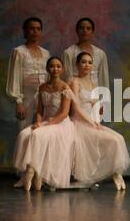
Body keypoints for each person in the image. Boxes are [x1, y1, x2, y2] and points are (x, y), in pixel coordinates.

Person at [13, 57, 98, 191]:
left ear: (62, 69)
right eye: (52, 66)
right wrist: (39, 122)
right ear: (47, 69)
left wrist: (45, 126)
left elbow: (64, 113)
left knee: (36, 135)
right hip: (47, 121)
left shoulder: (65, 87)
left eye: (58, 66)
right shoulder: (42, 87)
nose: (55, 69)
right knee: (24, 134)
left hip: (61, 123)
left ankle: (34, 171)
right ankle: (26, 175)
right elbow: (40, 110)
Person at [69, 52, 130, 191]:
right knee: (113, 141)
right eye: (83, 62)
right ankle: (114, 173)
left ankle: (117, 172)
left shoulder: (93, 82)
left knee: (118, 138)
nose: (87, 65)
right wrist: (90, 123)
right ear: (77, 64)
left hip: (93, 122)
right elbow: (76, 108)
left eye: (90, 62)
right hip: (79, 123)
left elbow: (95, 104)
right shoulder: (74, 82)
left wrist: (97, 119)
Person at [6, 17, 50, 188]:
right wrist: (18, 101)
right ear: (25, 31)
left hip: (42, 97)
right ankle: (24, 174)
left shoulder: (45, 53)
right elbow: (15, 76)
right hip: (26, 96)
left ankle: (39, 172)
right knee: (25, 134)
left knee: (42, 134)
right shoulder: (19, 51)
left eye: (38, 28)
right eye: (31, 28)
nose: (35, 32)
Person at [62, 17, 110, 89]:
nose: (85, 31)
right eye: (81, 28)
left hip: (95, 93)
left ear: (92, 31)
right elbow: (66, 78)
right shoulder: (69, 53)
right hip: (77, 92)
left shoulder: (100, 54)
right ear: (77, 31)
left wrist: (104, 97)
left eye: (88, 28)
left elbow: (103, 79)